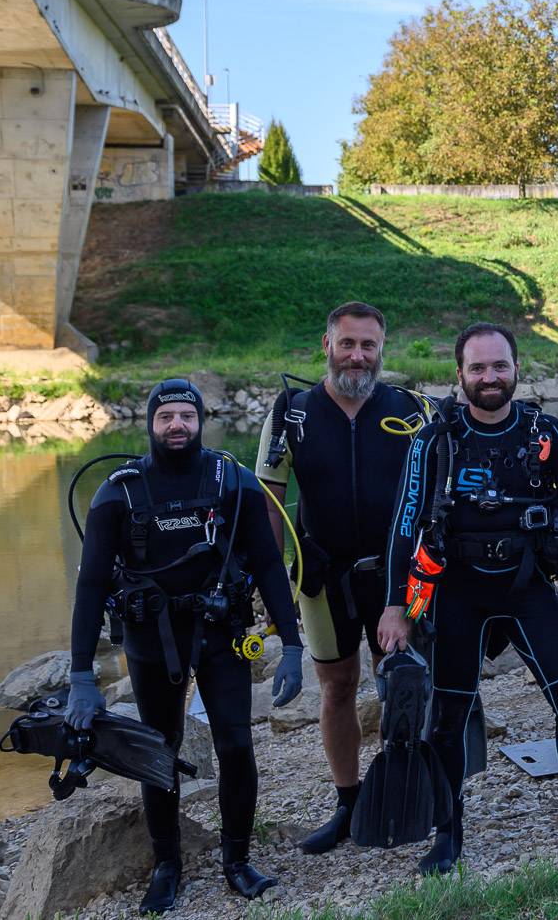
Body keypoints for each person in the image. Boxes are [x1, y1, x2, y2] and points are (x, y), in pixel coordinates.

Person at [380, 322, 558, 873]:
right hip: (457, 589)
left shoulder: (545, 433)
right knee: (448, 717)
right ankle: (449, 830)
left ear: (516, 369)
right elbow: (404, 523)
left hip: (528, 585)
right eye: (478, 368)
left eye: (499, 366)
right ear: (459, 375)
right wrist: (396, 604)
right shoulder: (434, 439)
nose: (490, 377)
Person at [67, 380, 304, 913]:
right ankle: (167, 865)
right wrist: (81, 676)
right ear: (150, 424)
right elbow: (89, 587)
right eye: (166, 416)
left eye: (187, 416)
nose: (177, 425)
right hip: (152, 642)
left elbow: (268, 563)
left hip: (219, 634)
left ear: (201, 421)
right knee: (159, 751)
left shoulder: (231, 481)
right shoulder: (119, 493)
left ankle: (237, 861)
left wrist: (291, 644)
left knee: (237, 746)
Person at [256, 301, 435, 854]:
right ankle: (349, 801)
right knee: (336, 688)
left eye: (369, 346)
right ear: (327, 345)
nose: (358, 356)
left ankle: (410, 792)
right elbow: (269, 500)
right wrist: (268, 588)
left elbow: (437, 497)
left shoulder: (412, 410)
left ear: (383, 351)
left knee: (403, 683)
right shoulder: (292, 413)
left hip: (395, 579)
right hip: (323, 575)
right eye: (348, 344)